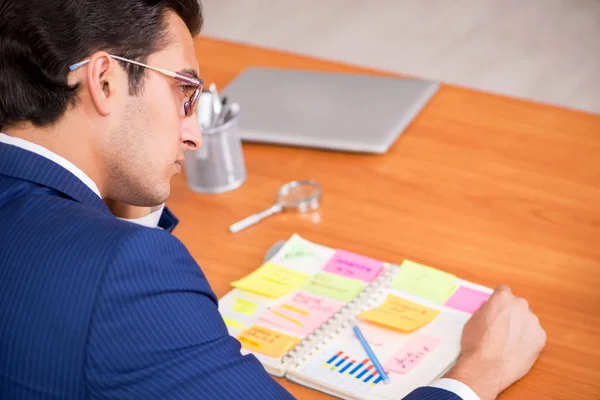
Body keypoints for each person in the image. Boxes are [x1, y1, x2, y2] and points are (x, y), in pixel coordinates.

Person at [0, 1, 546, 399]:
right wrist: (477, 374)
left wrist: (128, 188)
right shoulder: (126, 275)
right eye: (183, 92)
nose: (193, 134)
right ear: (104, 80)